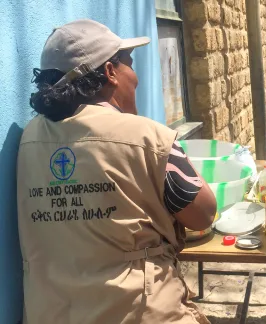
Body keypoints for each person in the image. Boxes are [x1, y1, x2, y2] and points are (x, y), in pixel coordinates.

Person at [19, 19, 215, 324]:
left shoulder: (28, 139)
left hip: (52, 313)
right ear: (111, 72)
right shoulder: (147, 136)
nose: (135, 77)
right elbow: (203, 214)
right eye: (129, 65)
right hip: (141, 312)